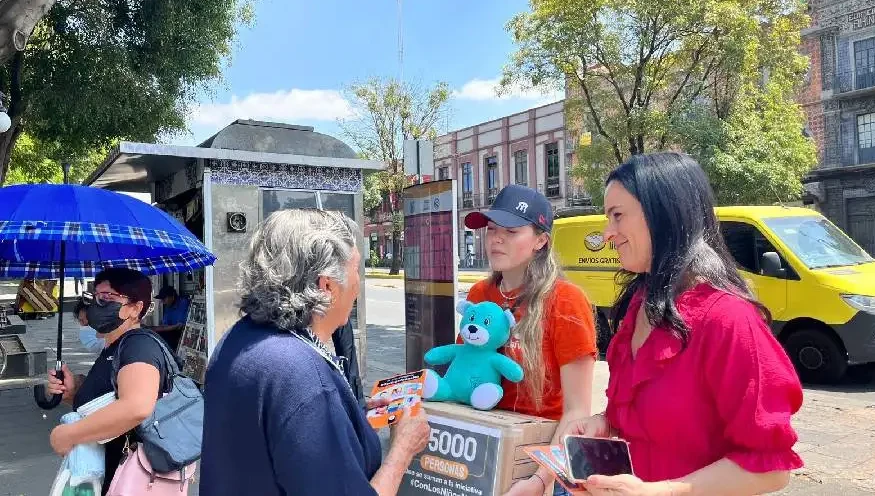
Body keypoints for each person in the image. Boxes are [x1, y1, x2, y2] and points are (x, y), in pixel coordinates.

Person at [562, 153, 803, 495]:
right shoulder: (638, 305)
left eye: (617, 216)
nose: (607, 234)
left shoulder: (729, 319)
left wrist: (664, 491)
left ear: (664, 214)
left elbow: (771, 467)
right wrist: (605, 424)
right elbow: (644, 419)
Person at [201, 209, 430, 495]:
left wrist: (348, 419)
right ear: (327, 287)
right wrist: (402, 450)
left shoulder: (240, 338)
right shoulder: (302, 377)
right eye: (356, 268)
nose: (359, 283)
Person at [461, 184, 598, 496]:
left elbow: (577, 412)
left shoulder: (566, 301)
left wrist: (539, 481)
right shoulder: (479, 297)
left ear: (541, 240)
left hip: (546, 465)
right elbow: (464, 371)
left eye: (510, 231)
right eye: (492, 229)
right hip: (487, 453)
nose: (495, 239)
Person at [46, 268, 169, 493]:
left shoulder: (138, 346)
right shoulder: (116, 346)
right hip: (113, 475)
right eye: (96, 296)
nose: (98, 305)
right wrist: (73, 394)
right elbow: (111, 400)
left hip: (132, 479)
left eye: (108, 297)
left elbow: (137, 406)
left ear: (135, 308)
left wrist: (69, 434)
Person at [150, 285, 190, 351]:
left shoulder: (183, 303)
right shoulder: (168, 307)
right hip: (173, 333)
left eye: (164, 299)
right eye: (161, 299)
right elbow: (165, 325)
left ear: (172, 296)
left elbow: (181, 325)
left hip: (182, 334)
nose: (163, 302)